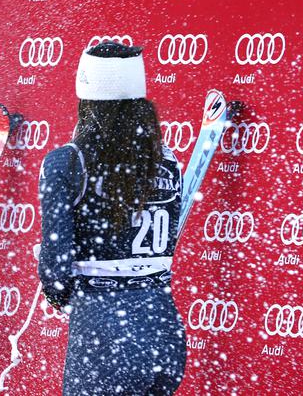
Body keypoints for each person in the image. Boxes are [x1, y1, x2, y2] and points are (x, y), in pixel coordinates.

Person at [38, 42, 186, 395]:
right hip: (164, 327)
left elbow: (56, 266)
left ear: (86, 102)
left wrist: (60, 293)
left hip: (104, 334)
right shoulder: (168, 161)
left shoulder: (66, 163)